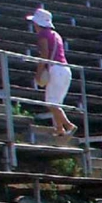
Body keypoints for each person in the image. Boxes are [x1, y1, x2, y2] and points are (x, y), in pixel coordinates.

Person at [26, 8, 75, 137]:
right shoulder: (55, 34)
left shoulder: (43, 35)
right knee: (56, 102)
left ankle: (68, 125)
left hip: (55, 68)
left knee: (50, 102)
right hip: (65, 69)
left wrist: (38, 73)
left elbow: (44, 55)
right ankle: (59, 129)